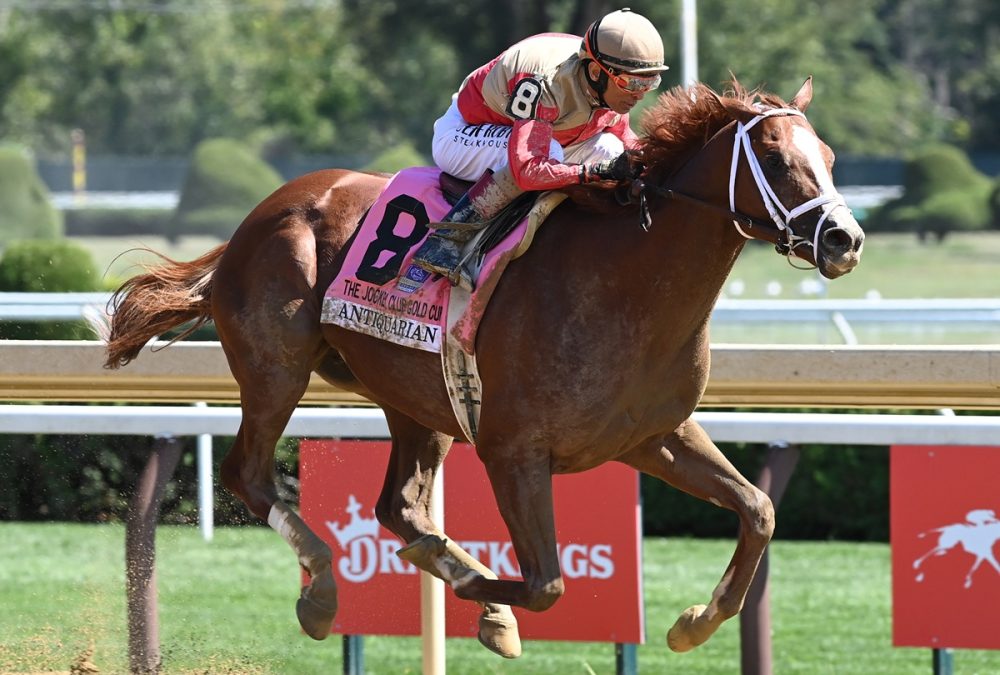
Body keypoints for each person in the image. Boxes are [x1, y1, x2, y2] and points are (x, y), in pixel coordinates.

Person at [404, 8, 668, 289]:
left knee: (611, 149)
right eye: (633, 82)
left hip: (530, 136)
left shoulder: (610, 87)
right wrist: (594, 171)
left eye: (650, 82)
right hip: (460, 135)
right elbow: (528, 170)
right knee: (550, 155)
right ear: (595, 72)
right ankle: (445, 242)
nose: (640, 94)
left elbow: (625, 143)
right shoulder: (545, 82)